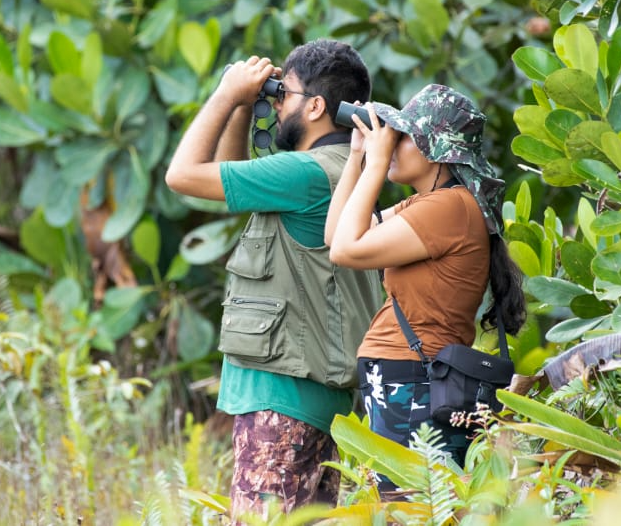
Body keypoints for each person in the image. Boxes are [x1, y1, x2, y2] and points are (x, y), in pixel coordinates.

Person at [164, 40, 381, 521]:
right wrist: (247, 105)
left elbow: (182, 176)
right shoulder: (347, 168)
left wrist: (224, 94)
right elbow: (235, 175)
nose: (278, 102)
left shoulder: (304, 174)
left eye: (286, 92)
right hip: (315, 398)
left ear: (317, 106)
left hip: (282, 401)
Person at [325, 84, 526, 478]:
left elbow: (345, 251)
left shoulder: (449, 208)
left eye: (403, 138)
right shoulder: (428, 205)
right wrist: (357, 159)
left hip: (415, 381)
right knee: (403, 503)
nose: (393, 144)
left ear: (436, 150)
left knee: (408, 506)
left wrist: (378, 164)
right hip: (404, 379)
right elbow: (336, 234)